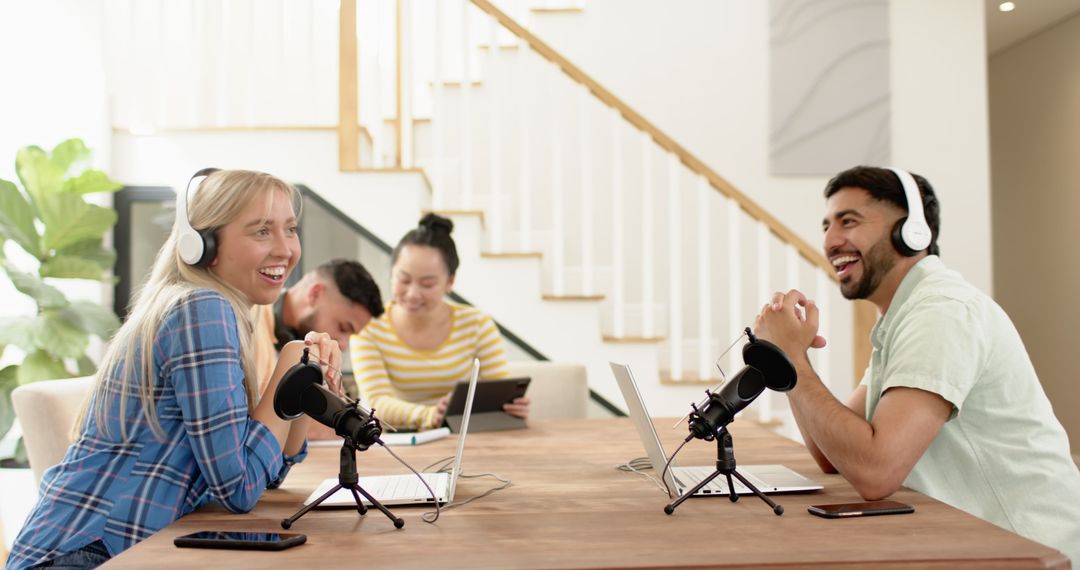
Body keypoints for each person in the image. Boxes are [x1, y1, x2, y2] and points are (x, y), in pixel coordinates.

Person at [6, 169, 342, 569]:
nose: (285, 249)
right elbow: (239, 488)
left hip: (118, 550)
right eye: (261, 231)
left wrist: (302, 377)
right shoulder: (202, 310)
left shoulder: (219, 311)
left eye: (290, 229)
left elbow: (266, 475)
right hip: (85, 555)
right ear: (203, 244)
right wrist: (291, 360)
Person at [753, 165, 1080, 562]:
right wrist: (791, 357)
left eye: (849, 221)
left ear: (912, 232)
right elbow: (831, 457)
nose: (830, 241)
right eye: (826, 226)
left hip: (1035, 552)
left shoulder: (941, 312)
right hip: (988, 544)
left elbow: (875, 472)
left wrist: (791, 357)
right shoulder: (906, 316)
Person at [350, 213, 530, 431]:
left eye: (427, 284)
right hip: (400, 439)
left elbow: (498, 391)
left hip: (462, 437)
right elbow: (377, 402)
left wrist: (510, 406)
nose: (412, 293)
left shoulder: (476, 324)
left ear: (450, 282)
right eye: (403, 279)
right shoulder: (368, 327)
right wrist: (430, 415)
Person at [252, 258, 384, 393]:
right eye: (343, 327)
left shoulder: (313, 359)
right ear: (315, 294)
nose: (344, 345)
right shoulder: (249, 324)